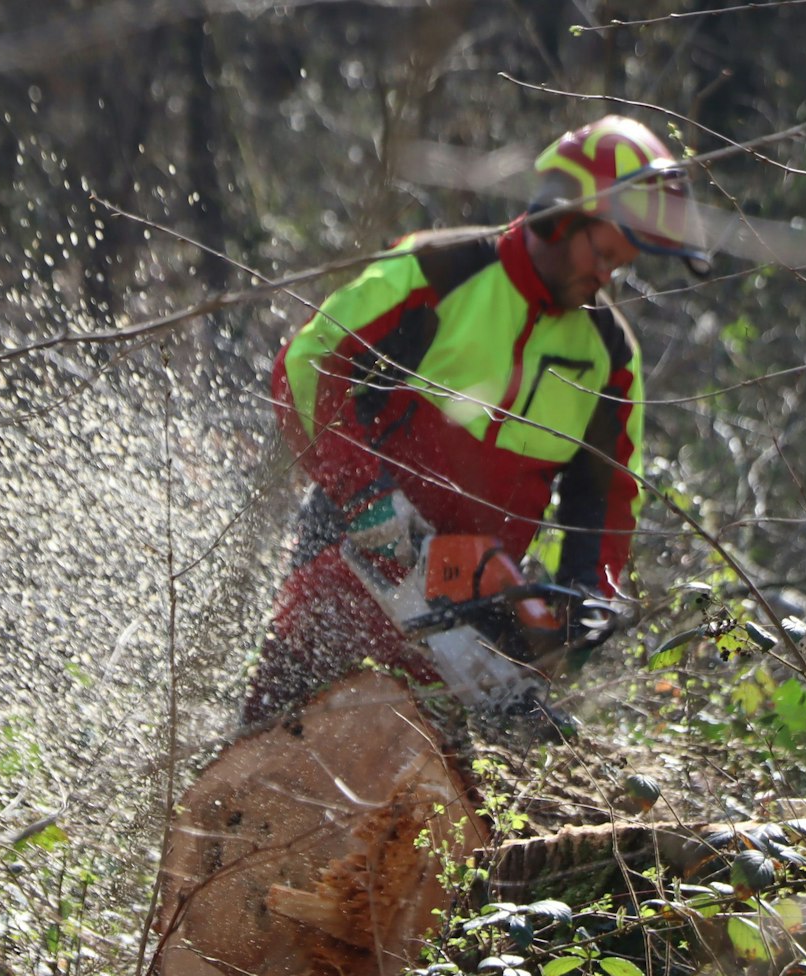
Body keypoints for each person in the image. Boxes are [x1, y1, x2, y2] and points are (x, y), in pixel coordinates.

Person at [243, 115, 711, 727]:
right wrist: (364, 494)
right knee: (270, 748)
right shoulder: (445, 269)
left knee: (431, 795)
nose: (606, 276)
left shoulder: (610, 356)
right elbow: (310, 362)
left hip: (469, 611)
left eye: (618, 265)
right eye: (602, 253)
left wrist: (584, 597)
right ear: (562, 214)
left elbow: (608, 494)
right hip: (356, 559)